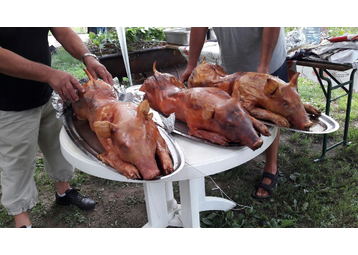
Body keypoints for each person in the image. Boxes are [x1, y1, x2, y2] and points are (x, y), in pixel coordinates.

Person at [0, 27, 114, 228]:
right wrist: (50, 74)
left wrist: (88, 57)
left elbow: (63, 31)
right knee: (17, 161)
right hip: (9, 103)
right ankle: (22, 220)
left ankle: (64, 191)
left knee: (57, 145)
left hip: (46, 94)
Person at [181, 27, 288, 199]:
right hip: (233, 62)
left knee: (270, 114)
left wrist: (264, 65)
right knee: (236, 110)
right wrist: (191, 64)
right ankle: (240, 152)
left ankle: (271, 167)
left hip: (266, 59)